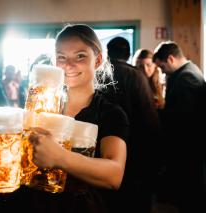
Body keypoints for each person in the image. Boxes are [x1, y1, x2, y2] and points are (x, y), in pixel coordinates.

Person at [26, 24, 129, 213]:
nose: (68, 65)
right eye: (61, 57)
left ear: (97, 60)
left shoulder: (110, 113)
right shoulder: (43, 106)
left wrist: (60, 156)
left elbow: (114, 175)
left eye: (80, 56)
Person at [103, 37, 161, 213]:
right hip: (135, 147)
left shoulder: (99, 73)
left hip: (103, 145)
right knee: (134, 200)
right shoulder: (136, 75)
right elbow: (150, 119)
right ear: (128, 54)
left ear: (108, 52)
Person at [153, 41, 206, 213]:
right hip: (189, 149)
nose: (162, 72)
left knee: (190, 198)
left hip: (188, 149)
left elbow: (183, 121)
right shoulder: (189, 71)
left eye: (162, 67)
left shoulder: (186, 78)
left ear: (170, 59)